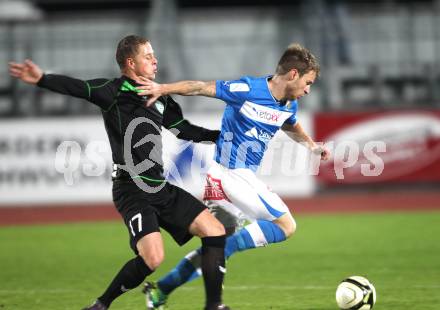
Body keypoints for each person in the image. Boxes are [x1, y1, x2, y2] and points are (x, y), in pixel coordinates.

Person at [8, 35, 230, 310]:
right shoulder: (113, 90)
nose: (155, 60)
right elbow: (78, 87)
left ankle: (214, 306)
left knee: (215, 230)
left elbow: (183, 129)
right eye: (148, 56)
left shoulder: (160, 95)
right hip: (131, 188)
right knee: (152, 259)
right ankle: (101, 304)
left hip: (159, 187)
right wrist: (42, 79)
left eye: (153, 55)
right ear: (130, 62)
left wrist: (221, 136)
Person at [136, 42, 331, 309]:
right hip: (232, 175)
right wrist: (162, 88)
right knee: (286, 226)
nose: (308, 90)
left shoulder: (289, 103)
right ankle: (223, 264)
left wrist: (311, 145)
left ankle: (161, 290)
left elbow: (290, 124)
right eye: (308, 82)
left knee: (215, 246)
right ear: (294, 74)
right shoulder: (248, 89)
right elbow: (200, 87)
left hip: (219, 177)